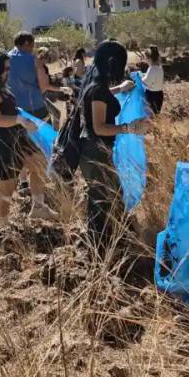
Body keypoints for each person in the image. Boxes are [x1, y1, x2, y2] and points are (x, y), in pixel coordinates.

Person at [0, 48, 51, 223]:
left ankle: (38, 207)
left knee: (39, 163)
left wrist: (22, 117)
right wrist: (20, 120)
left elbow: (8, 109)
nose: (8, 73)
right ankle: (3, 224)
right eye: (5, 69)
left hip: (14, 135)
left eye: (9, 69)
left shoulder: (0, 88)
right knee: (8, 185)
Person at [77, 41, 141, 248]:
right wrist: (128, 128)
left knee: (110, 197)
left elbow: (102, 96)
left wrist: (119, 89)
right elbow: (99, 127)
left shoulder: (97, 83)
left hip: (96, 152)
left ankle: (114, 242)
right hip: (94, 153)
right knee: (101, 203)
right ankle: (100, 249)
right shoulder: (97, 88)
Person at [8, 32, 52, 120]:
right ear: (27, 43)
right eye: (32, 45)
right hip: (34, 106)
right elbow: (43, 87)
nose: (33, 48)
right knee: (45, 132)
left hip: (12, 107)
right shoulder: (34, 60)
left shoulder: (4, 58)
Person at [143, 45, 166, 115]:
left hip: (151, 95)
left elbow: (146, 83)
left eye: (145, 58)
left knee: (150, 116)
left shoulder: (152, 68)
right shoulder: (160, 67)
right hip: (159, 94)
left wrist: (139, 78)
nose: (145, 60)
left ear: (149, 58)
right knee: (156, 115)